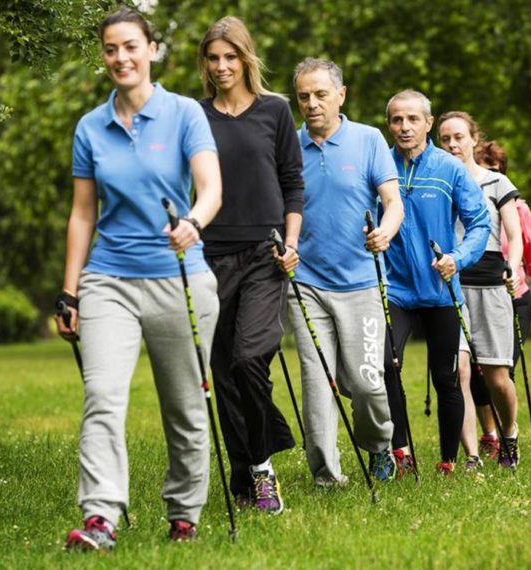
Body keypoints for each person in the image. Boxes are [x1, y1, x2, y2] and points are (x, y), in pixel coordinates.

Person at [56, 7, 222, 550]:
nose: (121, 57)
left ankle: (184, 514)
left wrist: (193, 223)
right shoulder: (90, 127)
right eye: (110, 49)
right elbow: (83, 213)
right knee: (102, 393)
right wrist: (70, 289)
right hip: (110, 279)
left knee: (185, 405)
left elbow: (210, 187)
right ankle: (100, 516)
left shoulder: (183, 115)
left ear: (152, 50)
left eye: (130, 46)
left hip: (180, 278)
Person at [197, 16, 304, 515]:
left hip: (265, 254)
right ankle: (243, 472)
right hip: (210, 258)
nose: (221, 67)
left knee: (248, 359)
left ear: (246, 59)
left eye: (230, 57)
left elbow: (292, 184)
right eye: (213, 59)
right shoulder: (194, 117)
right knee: (224, 373)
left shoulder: (275, 111)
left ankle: (261, 471)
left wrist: (291, 242)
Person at [288, 57, 404, 487]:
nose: (312, 104)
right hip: (306, 284)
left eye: (321, 94)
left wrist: (386, 233)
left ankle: (378, 448)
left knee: (367, 381)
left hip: (363, 282)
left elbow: (392, 202)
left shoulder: (368, 139)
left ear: (341, 94)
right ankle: (326, 476)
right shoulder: (289, 144)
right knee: (317, 385)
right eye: (304, 96)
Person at [383, 90, 491, 476]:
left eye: (413, 119)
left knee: (446, 377)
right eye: (397, 120)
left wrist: (457, 258)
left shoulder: (450, 168)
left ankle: (448, 460)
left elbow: (480, 223)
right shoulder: (381, 165)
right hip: (395, 289)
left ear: (429, 123)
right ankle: (401, 452)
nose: (404, 127)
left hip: (441, 290)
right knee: (384, 365)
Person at [437, 111, 524, 468]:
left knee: (496, 376)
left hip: (490, 281)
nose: (453, 145)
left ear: (474, 139)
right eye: (445, 139)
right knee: (459, 373)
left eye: (458, 137)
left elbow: (515, 236)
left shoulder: (496, 184)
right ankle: (472, 454)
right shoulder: (437, 183)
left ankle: (510, 434)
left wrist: (513, 269)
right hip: (451, 284)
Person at [471, 140, 531, 456]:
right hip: (474, 290)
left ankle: (508, 432)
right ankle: (489, 434)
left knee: (499, 373)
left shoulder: (518, 209)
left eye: (494, 169)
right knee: (471, 372)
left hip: (514, 297)